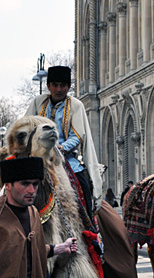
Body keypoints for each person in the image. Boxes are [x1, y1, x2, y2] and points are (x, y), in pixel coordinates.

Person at [25, 66, 103, 220]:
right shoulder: (37, 103)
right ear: (48, 86)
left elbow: (78, 136)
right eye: (55, 85)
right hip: (38, 159)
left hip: (66, 159)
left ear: (68, 87)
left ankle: (89, 226)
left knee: (83, 187)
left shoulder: (76, 105)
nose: (59, 89)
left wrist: (61, 148)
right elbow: (27, 127)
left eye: (63, 85)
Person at [0, 156, 78, 278]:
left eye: (35, 184)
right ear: (8, 185)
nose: (32, 190)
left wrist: (61, 247)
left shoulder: (34, 213)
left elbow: (36, 250)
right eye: (25, 184)